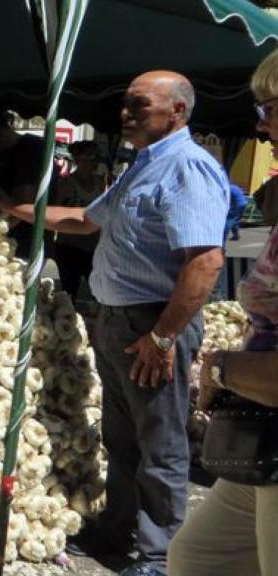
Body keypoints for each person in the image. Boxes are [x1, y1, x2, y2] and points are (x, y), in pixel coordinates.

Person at [0, 71, 228, 576]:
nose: (125, 114)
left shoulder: (187, 169)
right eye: (125, 105)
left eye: (139, 106)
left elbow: (205, 263)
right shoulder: (143, 167)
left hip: (154, 324)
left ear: (177, 112)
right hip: (118, 323)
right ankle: (117, 531)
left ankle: (162, 557)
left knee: (160, 445)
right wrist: (11, 207)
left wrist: (162, 337)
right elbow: (84, 220)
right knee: (122, 440)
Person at [167, 49, 278, 576]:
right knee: (199, 557)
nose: (260, 129)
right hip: (266, 440)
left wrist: (219, 369)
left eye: (270, 110)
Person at [0, 108, 51, 259]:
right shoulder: (2, 154)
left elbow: (21, 208)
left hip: (24, 245)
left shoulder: (31, 149)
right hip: (3, 242)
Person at [53, 141, 106, 301]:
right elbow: (55, 213)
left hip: (94, 247)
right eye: (90, 156)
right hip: (70, 247)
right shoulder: (67, 183)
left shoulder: (100, 182)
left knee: (98, 292)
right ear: (77, 159)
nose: (95, 161)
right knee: (69, 292)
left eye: (97, 157)